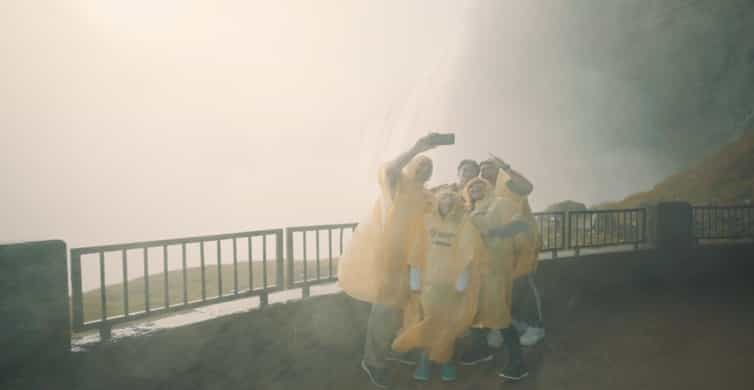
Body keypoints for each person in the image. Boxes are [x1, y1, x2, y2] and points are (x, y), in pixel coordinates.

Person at [336, 133, 447, 389]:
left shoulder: (427, 195)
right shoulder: (399, 183)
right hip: (391, 256)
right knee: (385, 308)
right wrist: (417, 147)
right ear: (411, 167)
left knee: (409, 305)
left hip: (416, 261)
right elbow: (390, 169)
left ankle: (401, 348)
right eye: (420, 163)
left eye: (429, 167)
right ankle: (373, 361)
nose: (424, 168)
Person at [391, 190, 482, 382]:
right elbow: (417, 250)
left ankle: (446, 361)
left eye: (450, 198)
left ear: (456, 202)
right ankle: (425, 360)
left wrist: (462, 280)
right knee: (428, 322)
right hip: (428, 283)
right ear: (437, 201)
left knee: (448, 323)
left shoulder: (462, 223)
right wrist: (415, 278)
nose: (446, 202)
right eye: (443, 198)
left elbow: (466, 253)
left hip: (451, 284)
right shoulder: (425, 221)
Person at [462, 177, 530, 381]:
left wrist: (493, 232)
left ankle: (518, 363)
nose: (475, 187)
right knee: (475, 310)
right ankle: (481, 351)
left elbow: (521, 224)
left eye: (479, 185)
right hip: (475, 270)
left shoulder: (500, 203)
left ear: (488, 188)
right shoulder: (469, 211)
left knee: (499, 313)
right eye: (471, 186)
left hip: (495, 268)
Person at [481, 156, 544, 347]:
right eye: (481, 168)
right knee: (499, 286)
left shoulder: (508, 183)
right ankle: (507, 325)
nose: (485, 171)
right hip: (499, 246)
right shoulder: (483, 191)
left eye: (489, 167)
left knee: (522, 280)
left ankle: (535, 326)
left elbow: (527, 188)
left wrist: (506, 167)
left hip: (522, 240)